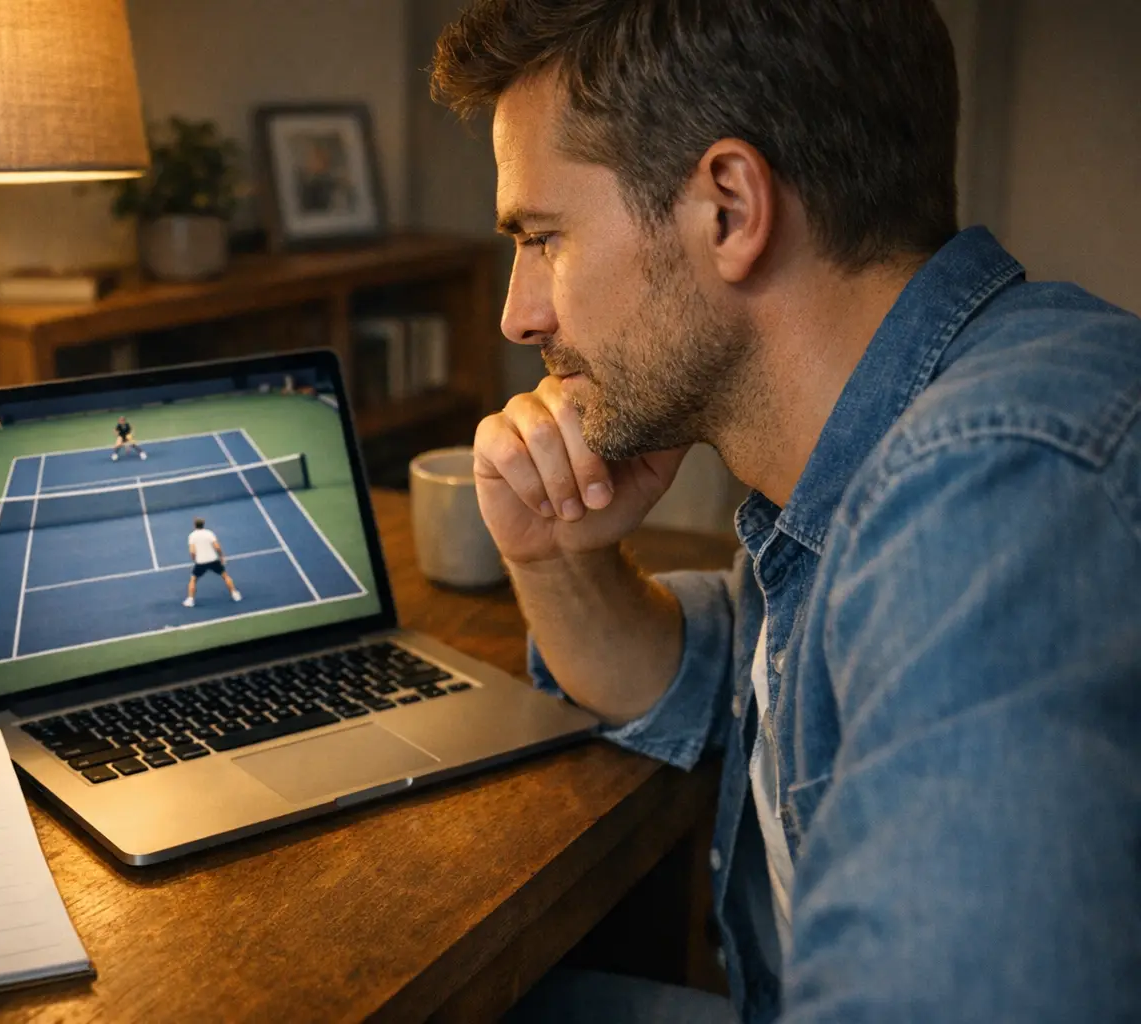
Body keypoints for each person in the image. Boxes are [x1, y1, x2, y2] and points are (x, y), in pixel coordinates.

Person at [430, 1, 1141, 1022]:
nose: (518, 312)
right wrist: (556, 559)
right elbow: (740, 682)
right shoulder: (878, 463)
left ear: (729, 208)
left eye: (543, 238)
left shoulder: (995, 490)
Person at [183, 517, 241, 607]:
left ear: (194, 525)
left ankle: (190, 600)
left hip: (201, 562)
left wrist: (194, 559)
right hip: (213, 560)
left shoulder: (192, 536)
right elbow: (217, 547)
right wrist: (221, 557)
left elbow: (192, 551)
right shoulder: (209, 533)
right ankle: (235, 594)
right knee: (225, 576)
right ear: (203, 524)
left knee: (193, 580)